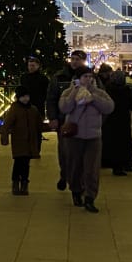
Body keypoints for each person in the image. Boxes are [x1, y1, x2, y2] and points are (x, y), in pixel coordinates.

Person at [58, 66, 114, 213]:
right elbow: (64, 108)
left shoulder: (99, 93)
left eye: (90, 77)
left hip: (93, 136)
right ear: (78, 78)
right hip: (74, 136)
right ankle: (76, 191)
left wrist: (93, 98)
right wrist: (75, 92)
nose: (88, 79)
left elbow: (109, 107)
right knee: (74, 166)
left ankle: (90, 197)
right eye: (85, 77)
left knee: (92, 169)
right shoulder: (68, 92)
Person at [45, 49, 87, 190]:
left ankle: (78, 181)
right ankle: (65, 174)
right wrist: (52, 117)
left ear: (83, 61)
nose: (74, 62)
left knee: (82, 152)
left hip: (84, 121)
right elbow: (51, 99)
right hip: (64, 121)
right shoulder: (59, 77)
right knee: (65, 151)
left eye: (77, 59)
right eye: (72, 59)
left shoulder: (89, 76)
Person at [0, 86, 43, 195]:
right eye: (23, 96)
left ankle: (24, 183)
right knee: (18, 163)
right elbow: (7, 124)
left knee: (26, 164)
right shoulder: (14, 109)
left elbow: (39, 124)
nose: (25, 99)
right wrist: (4, 137)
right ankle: (15, 182)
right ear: (18, 97)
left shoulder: (33, 109)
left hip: (30, 142)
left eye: (27, 96)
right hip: (19, 142)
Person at [101, 70, 132, 176]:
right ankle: (126, 163)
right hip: (124, 119)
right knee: (125, 141)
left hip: (111, 119)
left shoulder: (108, 89)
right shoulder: (126, 89)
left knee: (113, 142)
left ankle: (115, 164)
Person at [19, 55, 50, 124]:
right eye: (29, 65)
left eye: (33, 65)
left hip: (38, 105)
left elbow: (46, 92)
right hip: (26, 105)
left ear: (38, 66)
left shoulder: (43, 78)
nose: (31, 67)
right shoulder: (24, 77)